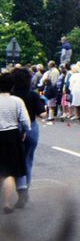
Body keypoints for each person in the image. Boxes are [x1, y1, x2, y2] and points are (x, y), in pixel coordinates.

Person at [10, 67, 45, 208]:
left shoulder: (11, 95)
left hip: (12, 129)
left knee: (10, 161)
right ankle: (25, 189)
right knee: (27, 161)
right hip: (31, 128)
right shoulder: (33, 95)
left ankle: (11, 189)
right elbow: (42, 114)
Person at [0, 72, 31, 213]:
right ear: (12, 86)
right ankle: (7, 203)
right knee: (9, 172)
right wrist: (25, 131)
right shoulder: (17, 101)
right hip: (12, 135)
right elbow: (25, 121)